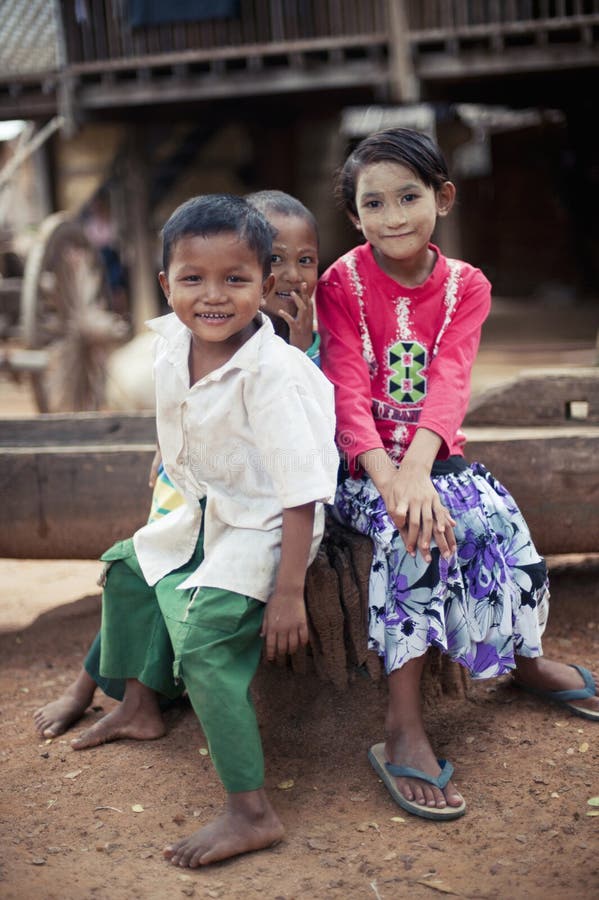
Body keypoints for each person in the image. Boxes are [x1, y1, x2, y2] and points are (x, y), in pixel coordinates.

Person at [315, 127, 599, 822]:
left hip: (432, 457)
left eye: (408, 197)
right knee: (410, 537)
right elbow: (346, 392)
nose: (393, 217)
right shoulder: (341, 282)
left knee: (498, 522)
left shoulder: (465, 286)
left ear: (441, 198)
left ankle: (522, 660)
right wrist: (394, 484)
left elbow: (448, 382)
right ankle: (402, 721)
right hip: (363, 467)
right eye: (373, 204)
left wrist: (420, 471)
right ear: (354, 217)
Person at [57, 194, 337, 866]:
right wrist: (171, 467)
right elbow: (176, 423)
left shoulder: (273, 377)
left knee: (208, 644)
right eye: (193, 279)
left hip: (269, 523)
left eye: (235, 280)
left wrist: (289, 592)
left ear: (265, 286)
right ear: (165, 284)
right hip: (206, 502)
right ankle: (138, 704)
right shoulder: (170, 344)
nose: (213, 297)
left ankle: (251, 810)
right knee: (128, 567)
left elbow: (300, 493)